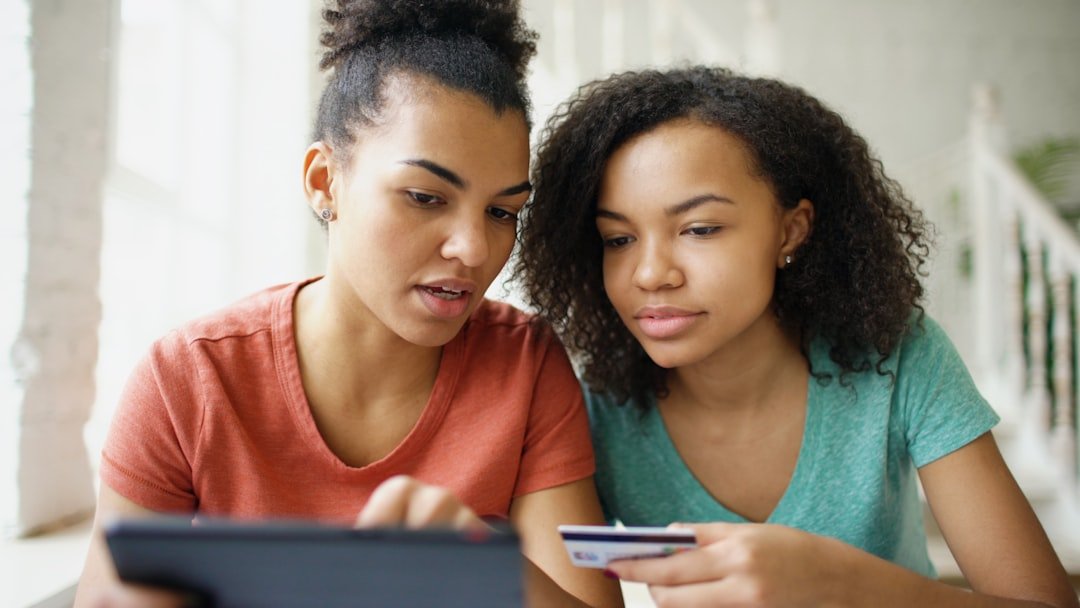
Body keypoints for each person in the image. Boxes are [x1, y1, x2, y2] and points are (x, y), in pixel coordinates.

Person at [73, 1, 624, 607]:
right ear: (322, 180)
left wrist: (480, 560)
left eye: (502, 212)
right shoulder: (188, 379)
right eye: (424, 196)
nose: (473, 249)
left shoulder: (526, 364)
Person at [514, 66, 1079, 607]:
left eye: (700, 229)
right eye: (618, 239)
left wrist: (836, 584)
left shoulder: (897, 359)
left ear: (791, 229)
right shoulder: (595, 413)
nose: (650, 273)